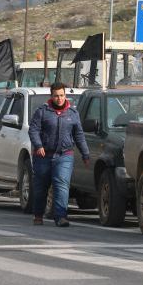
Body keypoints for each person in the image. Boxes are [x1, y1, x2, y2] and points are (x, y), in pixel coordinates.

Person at [28, 82, 89, 227]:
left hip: (64, 156)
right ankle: (38, 215)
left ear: (65, 95)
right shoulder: (42, 111)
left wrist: (85, 154)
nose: (59, 98)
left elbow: (79, 135)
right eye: (56, 96)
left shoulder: (73, 114)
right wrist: (38, 145)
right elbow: (33, 130)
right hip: (43, 156)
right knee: (41, 186)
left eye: (61, 95)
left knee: (61, 184)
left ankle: (61, 216)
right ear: (51, 96)